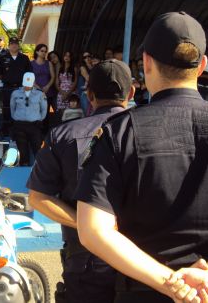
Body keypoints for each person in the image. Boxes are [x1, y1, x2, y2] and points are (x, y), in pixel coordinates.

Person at [75, 12, 208, 303]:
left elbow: (92, 230)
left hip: (144, 293)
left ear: (146, 63)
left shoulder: (119, 132)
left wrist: (170, 283)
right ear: (202, 65)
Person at [27, 59, 133, 303]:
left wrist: (88, 225)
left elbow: (38, 198)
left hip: (86, 260)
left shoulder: (62, 134)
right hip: (144, 257)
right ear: (132, 91)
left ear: (89, 93)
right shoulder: (151, 131)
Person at [0, 37, 32, 136]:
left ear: (18, 45)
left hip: (21, 88)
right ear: (9, 45)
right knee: (7, 109)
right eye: (12, 43)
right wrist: (7, 78)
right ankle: (6, 131)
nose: (14, 45)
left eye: (16, 43)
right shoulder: (3, 58)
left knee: (20, 109)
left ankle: (19, 131)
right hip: (7, 88)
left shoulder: (24, 58)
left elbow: (29, 73)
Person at [10, 72, 47, 166]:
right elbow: (12, 108)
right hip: (20, 125)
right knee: (22, 149)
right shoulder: (15, 93)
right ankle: (23, 166)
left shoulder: (40, 94)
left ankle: (39, 168)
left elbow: (44, 109)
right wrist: (17, 118)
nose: (27, 86)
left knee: (38, 148)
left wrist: (39, 119)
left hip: (34, 125)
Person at [56, 51, 78, 118]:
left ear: (71, 58)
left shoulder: (74, 68)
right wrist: (62, 93)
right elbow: (57, 82)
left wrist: (68, 93)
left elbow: (75, 82)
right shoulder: (60, 68)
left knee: (71, 114)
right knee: (62, 115)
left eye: (69, 56)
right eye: (65, 55)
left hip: (71, 93)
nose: (67, 57)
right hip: (61, 93)